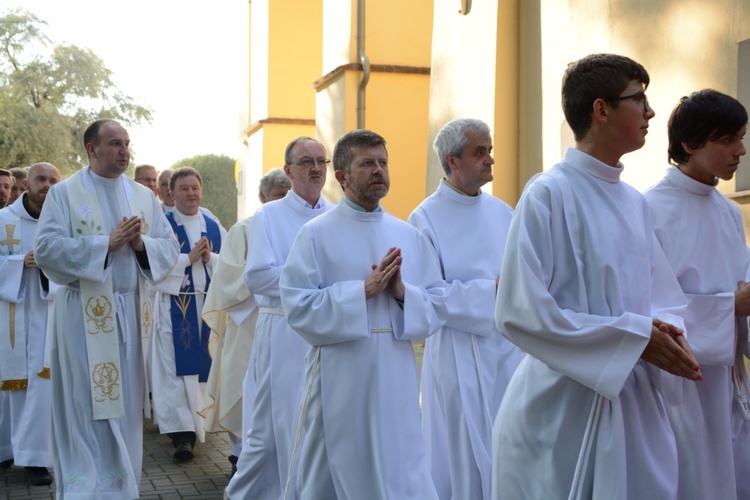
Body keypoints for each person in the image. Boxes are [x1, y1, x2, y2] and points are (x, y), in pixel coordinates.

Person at [491, 53, 703, 499]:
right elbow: (518, 311)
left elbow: (660, 297)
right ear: (601, 110)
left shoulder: (634, 202)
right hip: (561, 410)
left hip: (635, 404)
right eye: (638, 99)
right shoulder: (548, 193)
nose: (650, 112)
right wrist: (632, 338)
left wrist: (667, 331)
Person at [278, 129, 447, 499]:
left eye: (383, 163)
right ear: (341, 176)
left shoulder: (409, 236)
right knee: (336, 470)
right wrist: (361, 292)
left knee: (401, 463)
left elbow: (437, 307)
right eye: (367, 163)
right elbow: (296, 305)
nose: (378, 171)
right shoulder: (315, 235)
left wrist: (403, 294)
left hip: (396, 377)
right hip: (340, 374)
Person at [34, 119, 179, 498]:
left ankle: (121, 487)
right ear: (91, 149)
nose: (124, 151)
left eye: (127, 143)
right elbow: (46, 248)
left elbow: (169, 246)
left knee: (126, 407)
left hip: (129, 315)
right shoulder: (64, 194)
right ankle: (86, 490)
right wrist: (105, 244)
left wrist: (140, 245)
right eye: (115, 143)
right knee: (86, 404)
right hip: (82, 318)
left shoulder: (142, 196)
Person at [408, 118, 523, 500]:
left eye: (490, 150)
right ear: (452, 160)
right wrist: (491, 291)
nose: (490, 159)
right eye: (480, 152)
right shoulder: (424, 218)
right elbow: (429, 296)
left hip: (508, 351)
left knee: (511, 445)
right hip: (458, 356)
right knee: (461, 459)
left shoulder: (504, 212)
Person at [643, 89, 750, 499]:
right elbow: (648, 306)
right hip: (678, 386)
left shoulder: (727, 212)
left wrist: (740, 310)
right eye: (727, 140)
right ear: (689, 144)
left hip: (726, 381)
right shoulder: (649, 209)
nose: (740, 150)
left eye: (741, 137)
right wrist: (729, 308)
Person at [225, 137, 332, 499]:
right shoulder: (269, 215)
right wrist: (313, 276)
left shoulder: (336, 213)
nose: (316, 168)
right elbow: (256, 276)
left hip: (326, 332)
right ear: (288, 171)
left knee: (319, 425)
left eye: (321, 160)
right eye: (306, 162)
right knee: (281, 425)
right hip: (283, 332)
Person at [199, 168, 291, 476]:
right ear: (262, 197)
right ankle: (240, 453)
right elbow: (229, 277)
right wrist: (268, 285)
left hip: (289, 322)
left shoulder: (300, 226)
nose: (283, 202)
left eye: (287, 195)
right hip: (249, 320)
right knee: (243, 386)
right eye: (278, 196)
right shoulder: (244, 229)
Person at [150, 166, 226, 460]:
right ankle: (182, 436)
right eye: (184, 189)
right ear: (171, 193)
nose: (191, 193)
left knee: (204, 367)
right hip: (174, 307)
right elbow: (150, 268)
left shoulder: (213, 224)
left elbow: (230, 265)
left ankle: (203, 423)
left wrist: (210, 259)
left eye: (195, 187)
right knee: (174, 372)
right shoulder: (163, 225)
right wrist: (187, 259)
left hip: (206, 306)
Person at [0, 162, 60, 486]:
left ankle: (37, 459)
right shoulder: (2, 220)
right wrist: (17, 263)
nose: (47, 185)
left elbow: (74, 266)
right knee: (9, 386)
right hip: (9, 316)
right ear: (26, 183)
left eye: (53, 180)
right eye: (41, 179)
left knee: (40, 385)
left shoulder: (63, 224)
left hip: (48, 315)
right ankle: (7, 447)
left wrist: (51, 267)